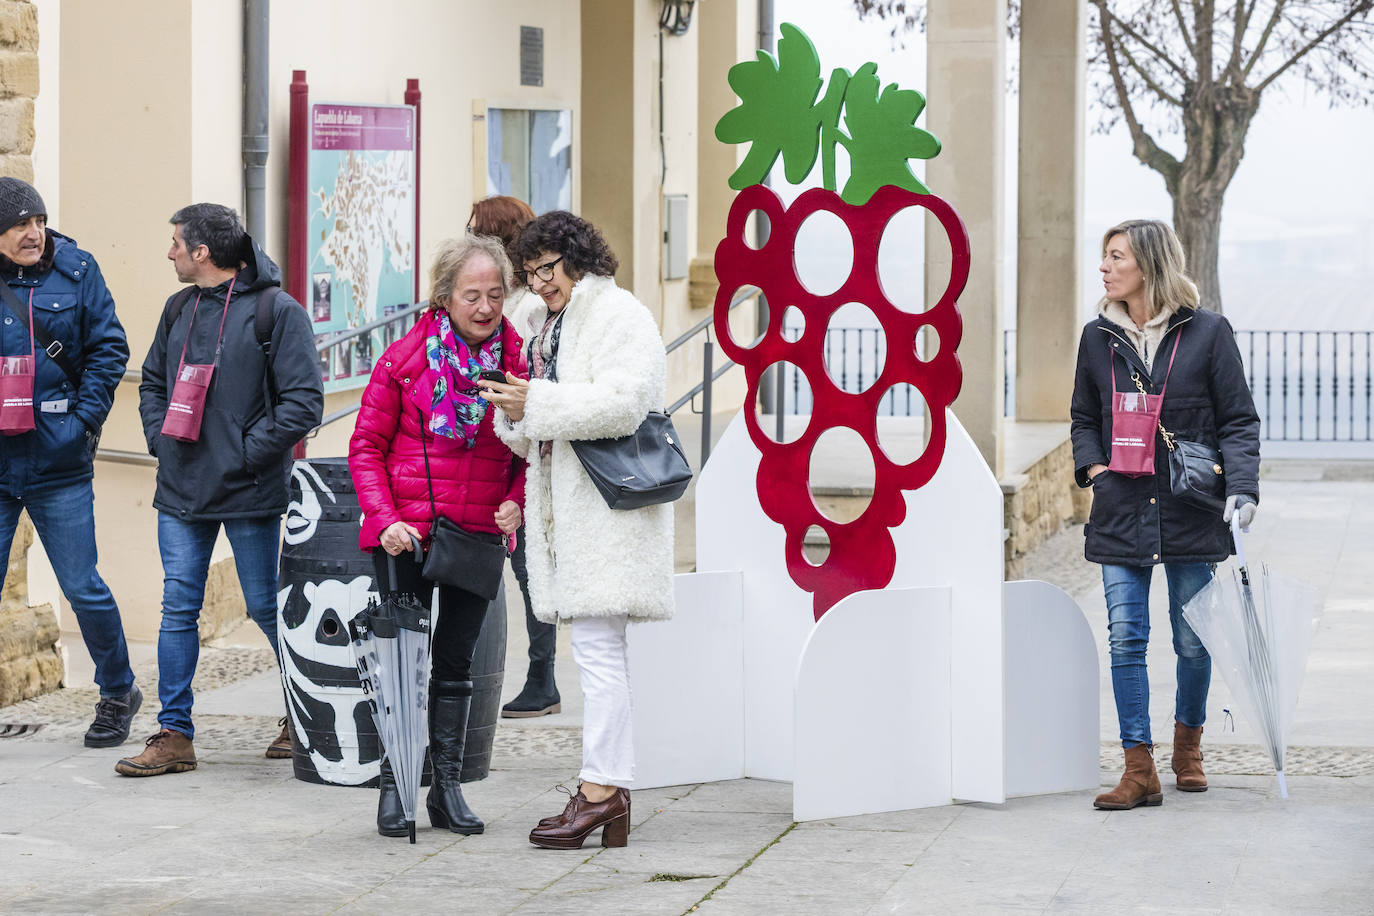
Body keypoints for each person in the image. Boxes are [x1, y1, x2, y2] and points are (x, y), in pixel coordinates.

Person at [482, 211, 674, 850]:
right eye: (529, 273)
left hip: (607, 516)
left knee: (599, 655)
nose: (537, 284)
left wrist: (533, 402)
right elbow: (534, 415)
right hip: (567, 511)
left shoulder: (622, 316)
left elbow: (624, 402)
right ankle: (605, 791)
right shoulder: (542, 321)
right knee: (597, 655)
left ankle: (600, 792)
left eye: (546, 270)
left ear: (577, 258)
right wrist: (515, 411)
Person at [119, 204, 324, 777]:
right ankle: (174, 733)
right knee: (179, 604)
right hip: (180, 484)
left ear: (203, 252)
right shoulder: (178, 307)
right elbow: (153, 380)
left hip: (248, 488)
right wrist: (162, 440)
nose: (171, 253)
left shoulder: (276, 311)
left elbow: (303, 403)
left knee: (265, 604)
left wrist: (242, 453)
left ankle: (307, 715)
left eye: (177, 243)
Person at [1070, 219, 1261, 810]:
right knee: (1127, 637)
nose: (1104, 267)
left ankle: (1188, 749)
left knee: (1192, 640)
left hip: (1191, 509)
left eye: (1116, 256)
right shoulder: (1097, 337)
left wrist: (1244, 489)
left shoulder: (1208, 333)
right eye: (1104, 257)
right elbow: (1082, 417)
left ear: (1148, 264)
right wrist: (1095, 471)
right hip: (1121, 509)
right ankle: (1138, 768)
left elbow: (1238, 419)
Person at [348, 234, 526, 838]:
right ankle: (395, 787)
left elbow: (535, 449)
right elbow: (365, 448)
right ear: (444, 297)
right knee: (400, 666)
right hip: (407, 538)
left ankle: (445, 789)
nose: (485, 307)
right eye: (471, 295)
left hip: (476, 535)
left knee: (455, 668)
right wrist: (385, 519)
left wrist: (517, 501)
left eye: (495, 295)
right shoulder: (403, 360)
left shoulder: (518, 365)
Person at [0, 177, 141, 748]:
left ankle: (116, 692)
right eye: (18, 225)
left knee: (81, 586)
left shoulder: (77, 270)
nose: (34, 233)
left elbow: (110, 349)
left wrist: (82, 423)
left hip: (57, 458)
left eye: (38, 221)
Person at [468, 195, 561, 719]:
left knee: (530, 573)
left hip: (517, 452)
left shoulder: (523, 308)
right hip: (508, 449)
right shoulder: (521, 301)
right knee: (523, 572)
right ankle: (536, 677)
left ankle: (541, 678)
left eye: (476, 229)